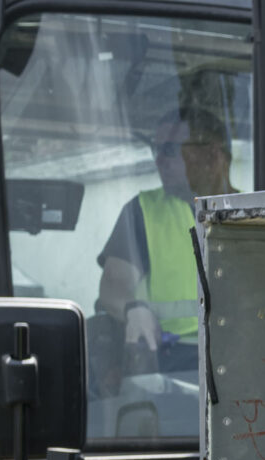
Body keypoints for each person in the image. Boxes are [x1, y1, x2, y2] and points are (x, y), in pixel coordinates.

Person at [96, 83, 235, 373]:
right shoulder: (142, 210)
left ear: (212, 155)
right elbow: (113, 285)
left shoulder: (253, 214)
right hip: (169, 361)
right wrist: (134, 310)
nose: (159, 160)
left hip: (238, 359)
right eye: (155, 149)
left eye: (170, 150)